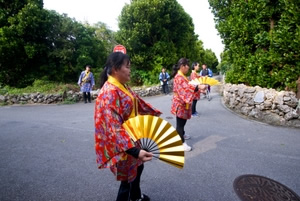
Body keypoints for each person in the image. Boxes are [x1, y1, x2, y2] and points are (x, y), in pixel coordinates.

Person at [94, 52, 162, 201]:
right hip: (123, 144)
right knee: (126, 179)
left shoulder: (122, 86)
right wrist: (134, 151)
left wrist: (152, 113)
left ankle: (136, 196)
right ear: (116, 68)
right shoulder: (109, 92)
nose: (130, 70)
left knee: (138, 168)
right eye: (127, 66)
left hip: (132, 138)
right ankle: (129, 197)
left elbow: (137, 102)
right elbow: (113, 126)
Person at [171, 58, 206, 152]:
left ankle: (181, 134)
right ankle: (181, 143)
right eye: (187, 66)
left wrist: (198, 89)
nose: (188, 68)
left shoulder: (182, 76)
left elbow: (189, 86)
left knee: (182, 123)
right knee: (180, 124)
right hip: (180, 103)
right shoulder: (179, 77)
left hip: (182, 103)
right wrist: (198, 87)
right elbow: (186, 89)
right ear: (182, 66)